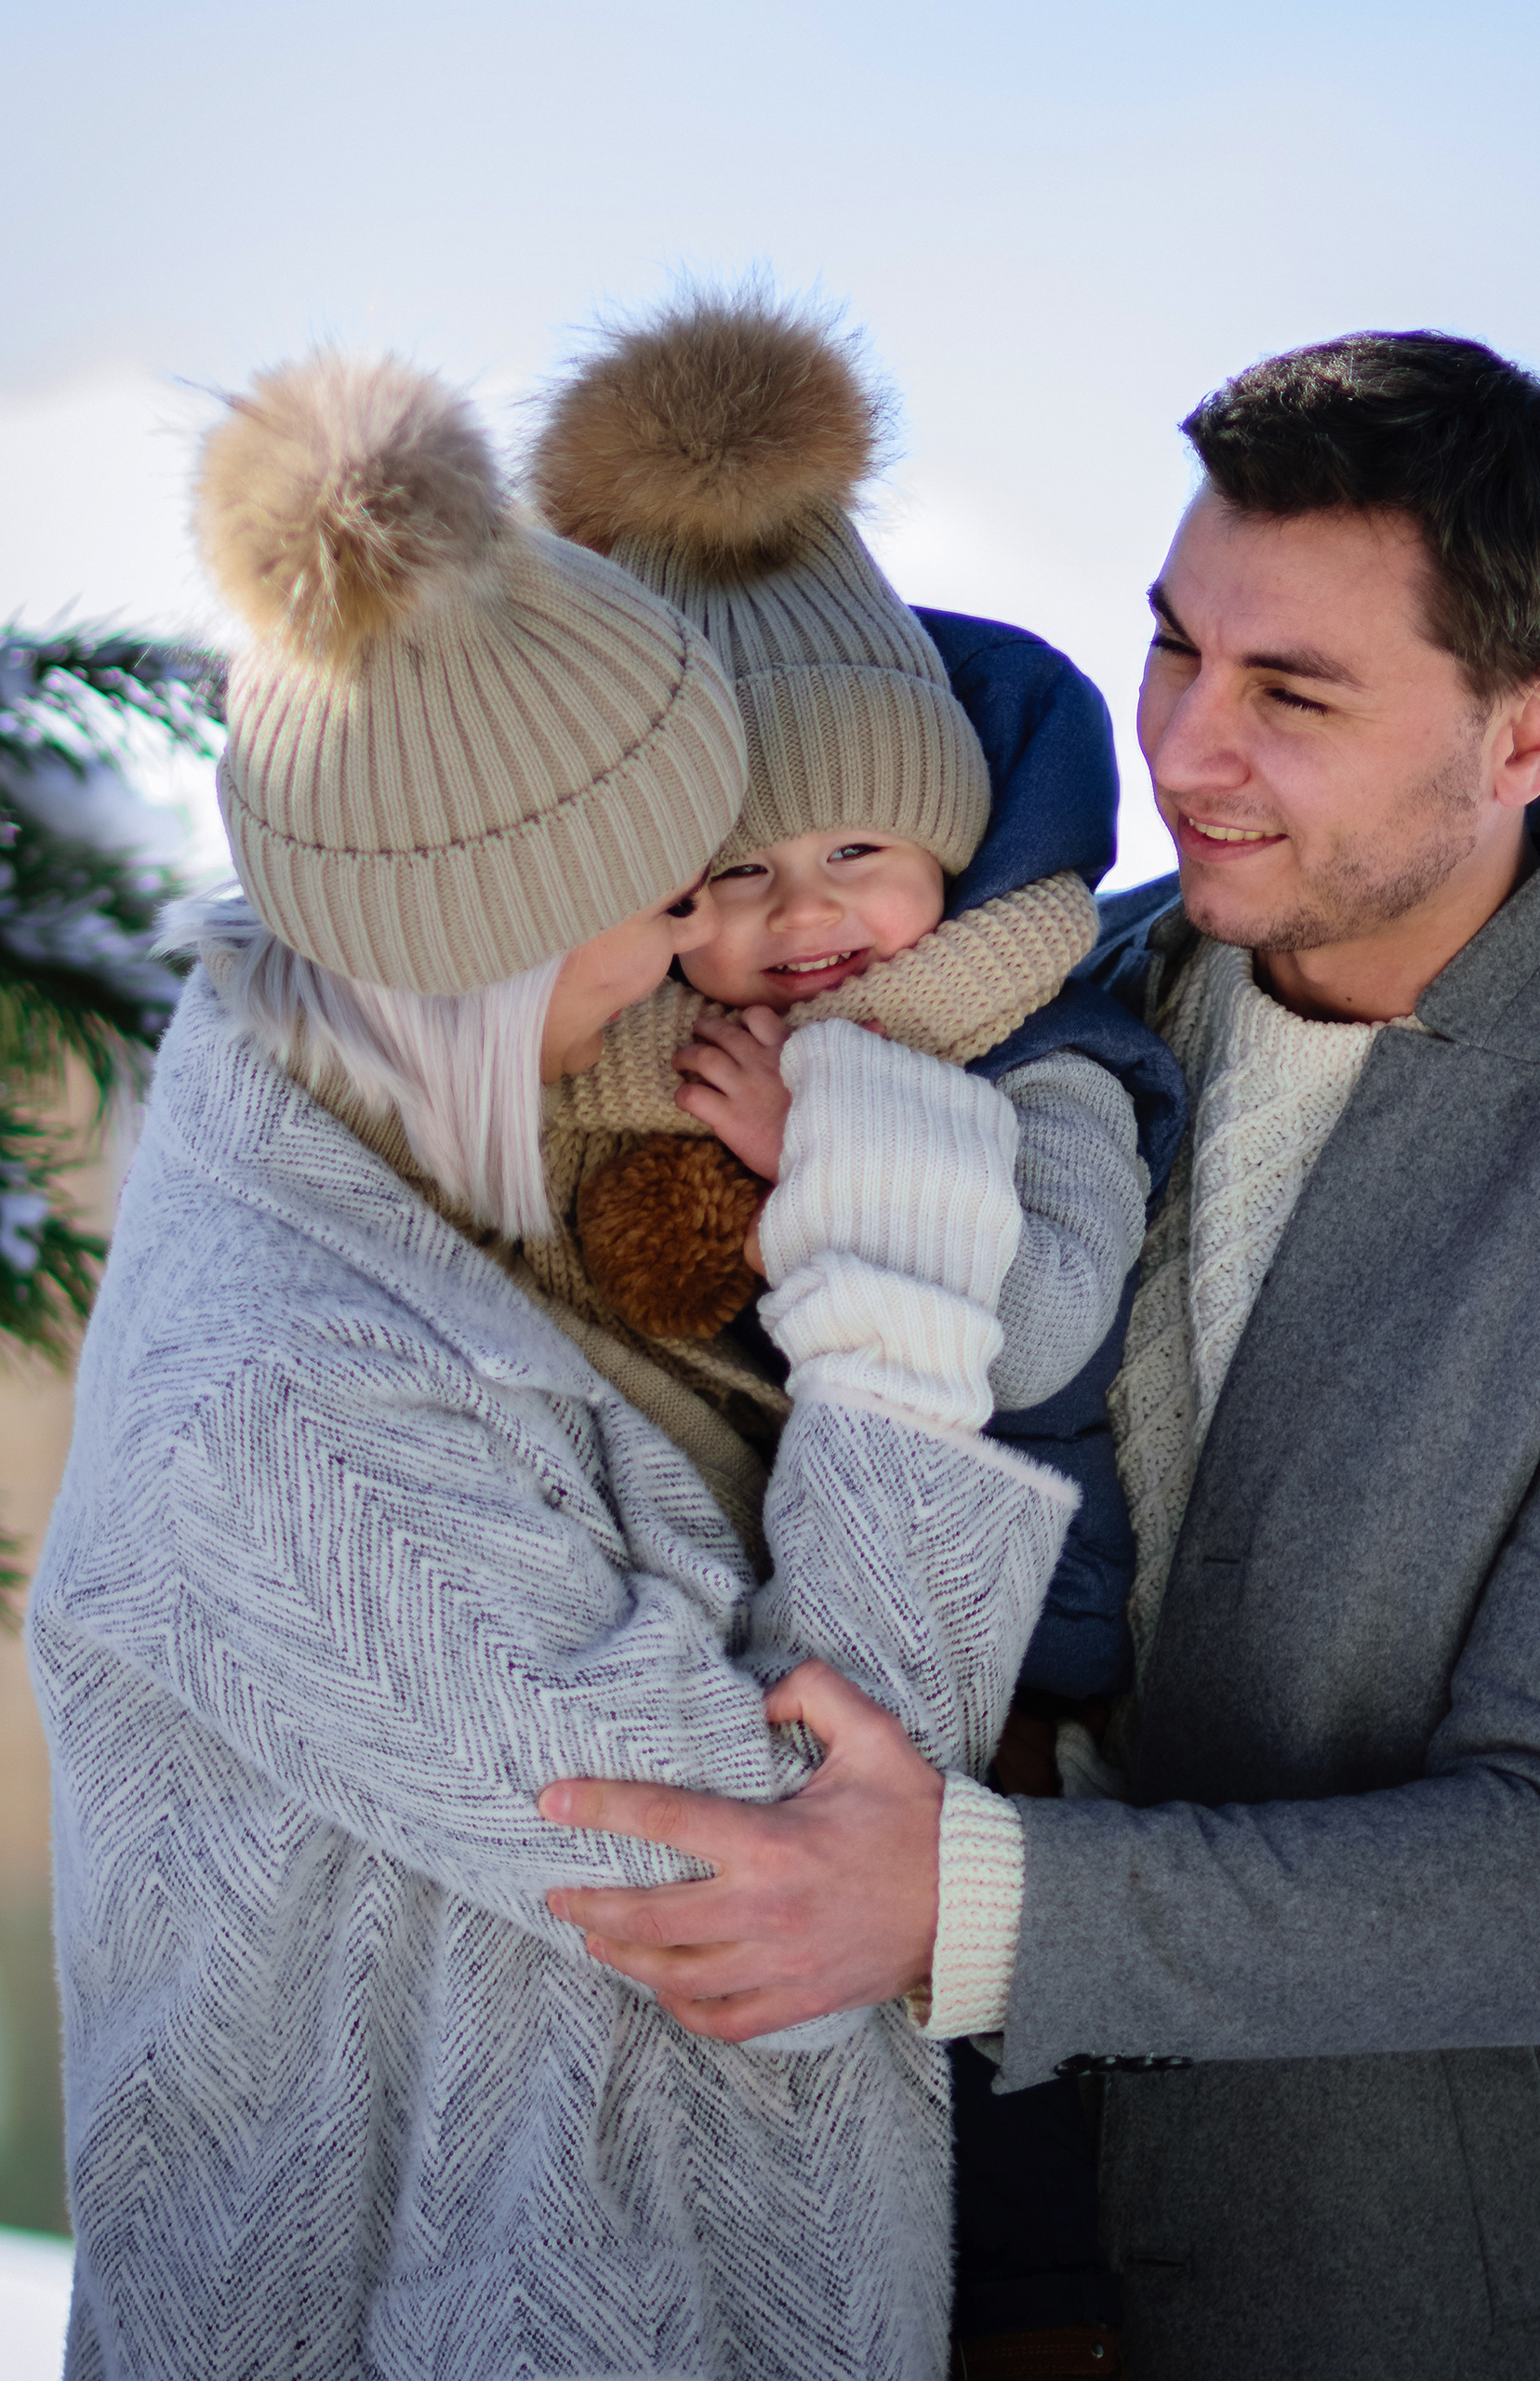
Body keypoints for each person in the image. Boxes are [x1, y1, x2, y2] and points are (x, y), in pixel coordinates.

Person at [535, 331, 1540, 2380]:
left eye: (1292, 693)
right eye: (1174, 648)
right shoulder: (1028, 1002)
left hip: (1404, 2298)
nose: (1181, 748)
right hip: (938, 2262)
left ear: (1529, 725)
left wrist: (961, 1899)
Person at [29, 347, 1081, 2381]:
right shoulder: (291, 1404)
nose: (704, 935)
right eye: (663, 888)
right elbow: (788, 1860)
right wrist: (892, 1266)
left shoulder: (412, 1202)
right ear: (496, 934)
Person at [525, 295, 1190, 2374]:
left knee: (995, 2136)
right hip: (819, 1626)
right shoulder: (696, 1047)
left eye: (856, 854)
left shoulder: (1040, 1036)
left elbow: (1043, 1318)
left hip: (1035, 1645)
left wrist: (840, 1147)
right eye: (731, 875)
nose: (802, 917)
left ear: (945, 849)